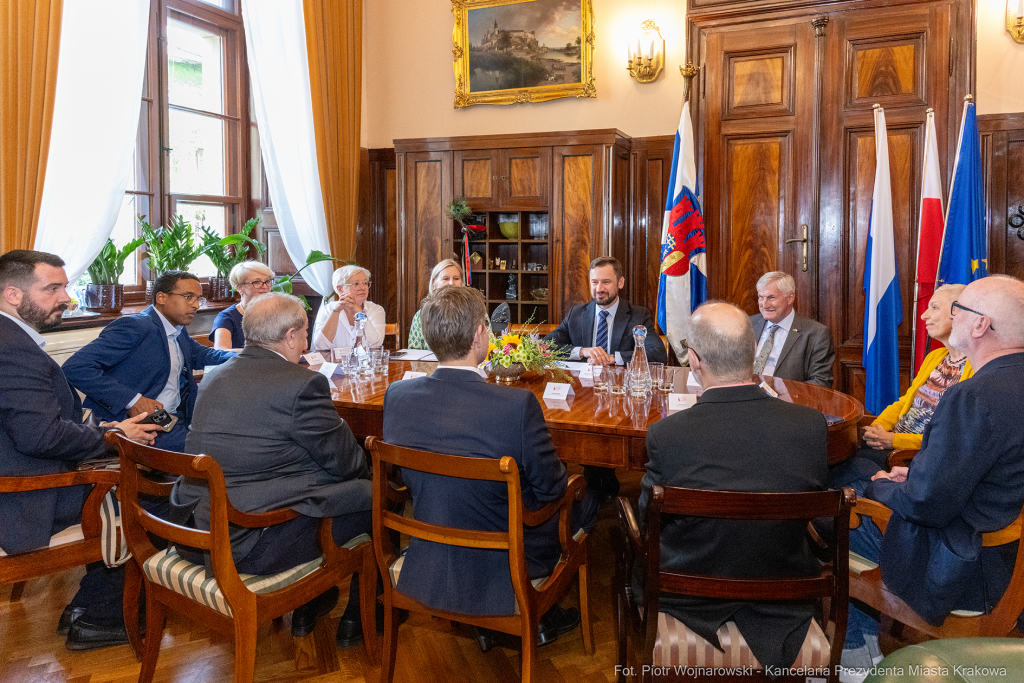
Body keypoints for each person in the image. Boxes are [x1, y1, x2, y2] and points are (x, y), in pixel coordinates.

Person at [382, 285, 598, 652]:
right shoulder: (516, 406)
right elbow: (551, 490)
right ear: (481, 334)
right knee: (588, 499)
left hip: (428, 547)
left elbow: (404, 479)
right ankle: (536, 612)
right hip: (506, 559)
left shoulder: (396, 398)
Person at [840, 275, 1024, 682]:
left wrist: (884, 483)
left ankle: (856, 654)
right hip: (1002, 551)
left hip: (965, 563)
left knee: (831, 509)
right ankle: (864, 640)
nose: (947, 316)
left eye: (958, 310)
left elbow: (926, 504)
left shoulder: (974, 393)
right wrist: (919, 474)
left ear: (980, 325)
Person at [170, 292, 374, 645]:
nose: (306, 341)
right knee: (373, 492)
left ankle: (316, 598)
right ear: (291, 335)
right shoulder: (302, 384)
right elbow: (348, 463)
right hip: (248, 543)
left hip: (195, 529)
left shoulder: (216, 376)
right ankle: (363, 616)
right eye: (305, 333)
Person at [639, 300, 830, 670]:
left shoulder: (667, 435)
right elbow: (822, 523)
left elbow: (649, 521)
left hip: (690, 596)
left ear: (694, 361)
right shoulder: (809, 426)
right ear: (754, 351)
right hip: (785, 596)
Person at [0, 250, 162, 651]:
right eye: (52, 288)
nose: (66, 298)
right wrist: (111, 436)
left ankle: (86, 604)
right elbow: (39, 437)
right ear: (12, 295)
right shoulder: (12, 349)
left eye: (65, 286)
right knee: (155, 497)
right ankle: (102, 618)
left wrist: (102, 427)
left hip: (20, 470)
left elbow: (32, 422)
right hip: (25, 496)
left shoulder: (12, 339)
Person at [62, 271, 235, 452]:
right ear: (161, 297)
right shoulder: (135, 326)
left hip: (175, 418)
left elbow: (201, 355)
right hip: (140, 424)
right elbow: (75, 367)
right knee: (219, 449)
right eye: (188, 297)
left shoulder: (176, 328)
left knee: (239, 433)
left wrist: (252, 355)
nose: (196, 305)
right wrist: (133, 400)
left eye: (199, 299)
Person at [544, 256, 666, 500]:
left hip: (621, 400)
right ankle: (586, 488)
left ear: (620, 283)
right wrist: (582, 351)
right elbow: (548, 345)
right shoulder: (578, 313)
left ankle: (601, 486)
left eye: (606, 282)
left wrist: (613, 358)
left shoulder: (637, 315)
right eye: (594, 282)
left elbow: (657, 353)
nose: (599, 289)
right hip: (581, 398)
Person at [840, 284, 973, 474]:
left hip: (915, 455)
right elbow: (905, 402)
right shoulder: (935, 357)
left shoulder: (975, 368)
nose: (924, 315)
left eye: (934, 307)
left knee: (844, 469)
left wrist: (892, 440)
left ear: (959, 313)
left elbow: (952, 437)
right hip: (892, 441)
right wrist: (878, 428)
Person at [749, 271, 835, 387]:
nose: (764, 305)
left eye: (771, 297)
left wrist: (780, 391)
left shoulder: (816, 334)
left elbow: (821, 382)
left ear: (790, 298)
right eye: (761, 297)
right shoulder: (747, 324)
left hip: (785, 402)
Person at [311, 265, 384, 352]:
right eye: (356, 284)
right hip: (334, 363)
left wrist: (360, 312)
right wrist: (336, 311)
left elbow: (375, 344)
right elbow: (321, 345)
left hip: (365, 364)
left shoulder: (376, 310)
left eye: (365, 283)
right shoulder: (327, 310)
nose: (362, 288)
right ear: (340, 289)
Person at [208, 260, 274, 350]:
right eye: (256, 282)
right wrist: (261, 355)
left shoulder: (276, 313)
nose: (265, 286)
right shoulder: (226, 318)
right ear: (240, 287)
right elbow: (222, 351)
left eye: (267, 281)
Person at [407, 258, 464, 351]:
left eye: (456, 278)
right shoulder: (420, 316)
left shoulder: (476, 313)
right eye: (446, 278)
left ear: (462, 282)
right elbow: (413, 354)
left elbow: (488, 350)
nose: (451, 283)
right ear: (434, 283)